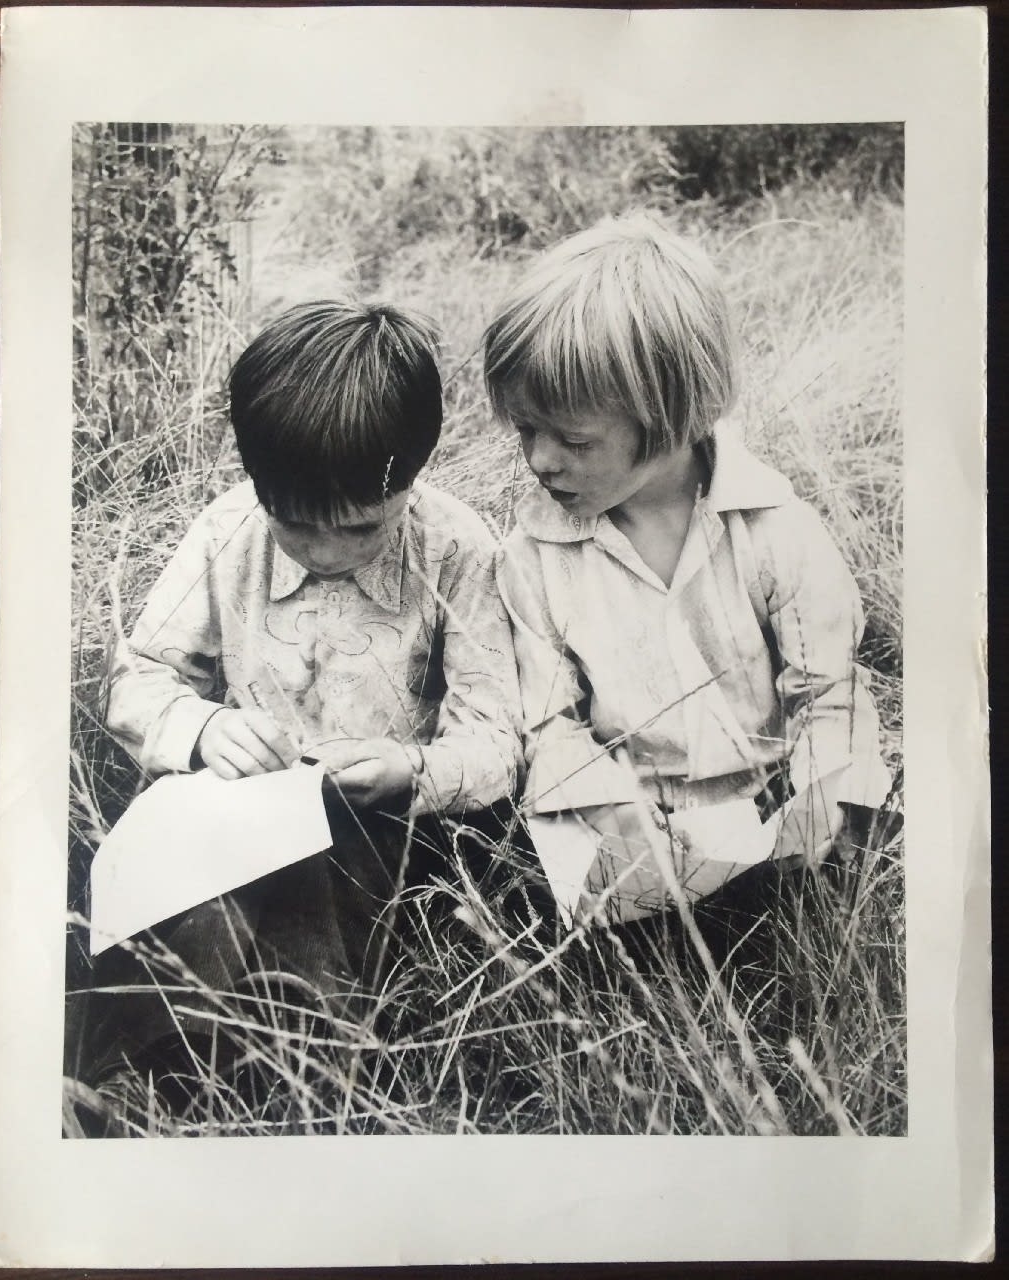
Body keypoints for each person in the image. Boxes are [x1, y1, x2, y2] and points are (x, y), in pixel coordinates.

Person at [69, 300, 528, 1101]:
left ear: (411, 478)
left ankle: (297, 1067)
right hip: (229, 811)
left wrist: (410, 769)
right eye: (295, 525)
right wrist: (203, 728)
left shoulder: (458, 552)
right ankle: (135, 1078)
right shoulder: (226, 535)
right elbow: (139, 676)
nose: (323, 553)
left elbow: (498, 737)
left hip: (382, 829)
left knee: (315, 897)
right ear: (257, 482)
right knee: (189, 905)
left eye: (358, 529)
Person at [486, 211, 894, 1008]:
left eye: (572, 438)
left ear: (671, 415)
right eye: (525, 431)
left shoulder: (775, 530)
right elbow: (549, 721)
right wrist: (611, 808)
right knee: (588, 954)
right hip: (633, 825)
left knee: (808, 952)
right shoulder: (533, 556)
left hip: (772, 814)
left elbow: (830, 694)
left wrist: (815, 796)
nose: (539, 461)